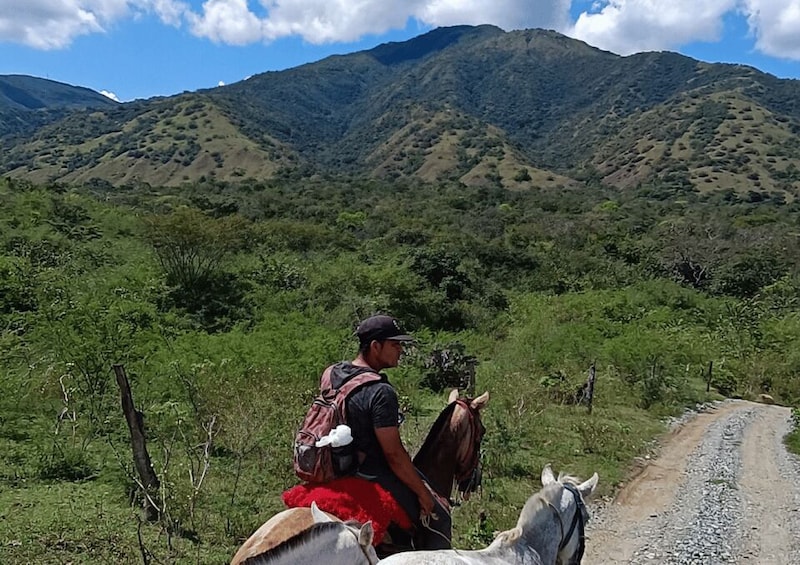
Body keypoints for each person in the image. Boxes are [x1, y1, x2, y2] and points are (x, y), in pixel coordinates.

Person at [325, 314, 451, 550]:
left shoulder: (333, 374)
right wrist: (424, 496)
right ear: (375, 346)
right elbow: (393, 455)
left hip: (337, 467)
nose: (400, 350)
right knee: (440, 516)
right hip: (371, 475)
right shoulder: (380, 391)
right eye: (395, 344)